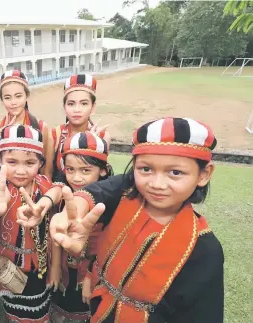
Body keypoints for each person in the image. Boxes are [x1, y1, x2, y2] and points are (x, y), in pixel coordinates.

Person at [50, 117, 224, 323]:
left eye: (175, 172)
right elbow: (101, 190)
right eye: (146, 169)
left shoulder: (204, 249)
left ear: (204, 174)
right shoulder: (122, 200)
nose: (157, 184)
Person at [0, 124, 62, 323]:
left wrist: (55, 267)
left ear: (40, 162)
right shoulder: (0, 190)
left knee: (39, 306)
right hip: (8, 266)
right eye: (12, 162)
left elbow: (59, 189)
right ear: (0, 161)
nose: (21, 171)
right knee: (13, 309)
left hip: (40, 266)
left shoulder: (44, 185)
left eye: (30, 162)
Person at [50, 132, 113, 323]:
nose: (76, 178)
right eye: (70, 170)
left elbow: (107, 245)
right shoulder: (64, 194)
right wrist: (54, 268)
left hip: (92, 271)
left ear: (103, 170)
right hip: (64, 265)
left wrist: (90, 277)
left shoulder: (108, 202)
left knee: (86, 308)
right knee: (61, 304)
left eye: (85, 170)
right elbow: (57, 234)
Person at [0, 70, 54, 178]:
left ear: (27, 96)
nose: (13, 102)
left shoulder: (41, 127)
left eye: (18, 96)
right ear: (2, 100)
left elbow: (47, 170)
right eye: (7, 97)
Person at [52, 74, 111, 178]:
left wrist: (91, 142)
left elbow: (100, 176)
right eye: (71, 104)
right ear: (64, 107)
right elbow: (47, 173)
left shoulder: (103, 136)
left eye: (84, 104)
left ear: (93, 107)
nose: (77, 110)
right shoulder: (56, 134)